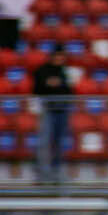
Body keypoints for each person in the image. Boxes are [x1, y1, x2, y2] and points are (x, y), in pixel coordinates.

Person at [32, 46, 72, 180]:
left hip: (63, 110)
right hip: (48, 110)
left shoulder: (65, 71)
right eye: (57, 56)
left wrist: (59, 85)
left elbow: (70, 90)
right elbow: (36, 89)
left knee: (59, 140)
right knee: (44, 139)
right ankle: (41, 167)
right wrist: (48, 84)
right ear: (52, 56)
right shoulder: (42, 70)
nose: (60, 59)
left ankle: (57, 168)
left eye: (62, 56)